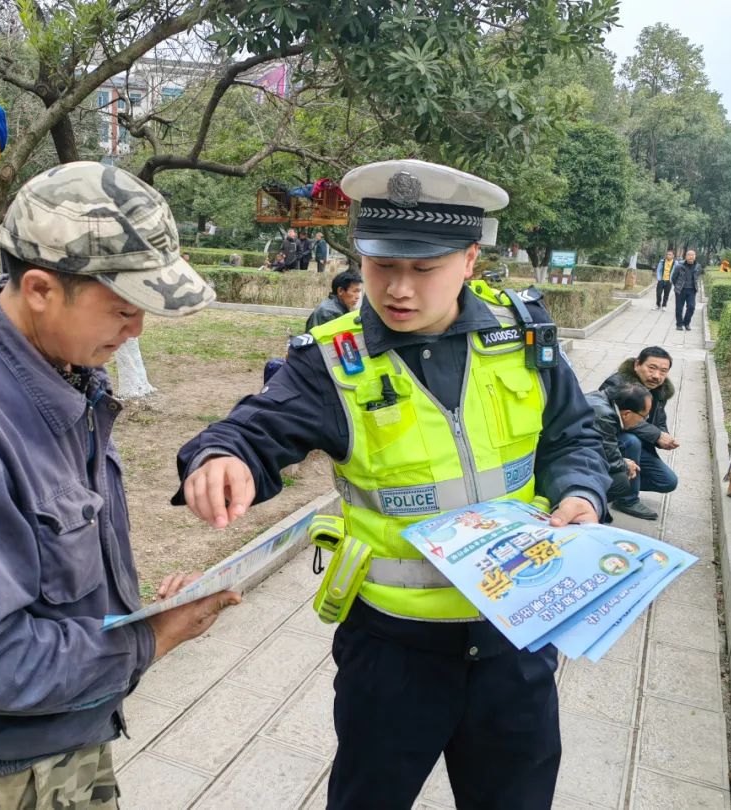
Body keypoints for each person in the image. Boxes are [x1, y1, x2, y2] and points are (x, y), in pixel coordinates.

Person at [174, 159, 610, 810]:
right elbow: (254, 429)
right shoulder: (330, 360)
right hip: (392, 655)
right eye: (381, 266)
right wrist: (220, 457)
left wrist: (582, 494)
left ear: (470, 260)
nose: (398, 288)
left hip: (514, 642)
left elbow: (574, 433)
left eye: (423, 268)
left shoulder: (521, 337)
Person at [0, 163, 241, 810]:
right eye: (122, 309)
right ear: (39, 288)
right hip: (9, 777)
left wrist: (136, 614)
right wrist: (150, 639)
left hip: (68, 729)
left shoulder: (58, 370)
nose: (136, 330)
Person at [599, 346, 680, 508]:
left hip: (641, 444)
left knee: (668, 482)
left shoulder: (660, 389)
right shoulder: (618, 384)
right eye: (652, 368)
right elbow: (619, 419)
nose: (656, 376)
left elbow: (659, 419)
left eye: (663, 371)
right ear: (637, 365)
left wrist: (665, 436)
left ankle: (612, 484)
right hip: (612, 442)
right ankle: (627, 500)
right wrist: (656, 435)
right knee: (631, 440)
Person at [585, 383, 657, 519]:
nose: (644, 421)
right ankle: (587, 507)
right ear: (627, 414)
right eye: (644, 417)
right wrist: (625, 464)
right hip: (561, 461)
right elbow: (609, 460)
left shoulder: (602, 398)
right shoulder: (604, 416)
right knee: (621, 481)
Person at [671, 248, 703, 331]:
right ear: (686, 256)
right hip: (680, 290)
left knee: (691, 307)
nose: (691, 256)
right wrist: (678, 286)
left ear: (695, 256)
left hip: (692, 290)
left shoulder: (698, 266)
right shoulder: (679, 266)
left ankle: (686, 323)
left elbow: (697, 277)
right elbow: (674, 278)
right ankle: (679, 324)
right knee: (679, 308)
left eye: (693, 255)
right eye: (689, 255)